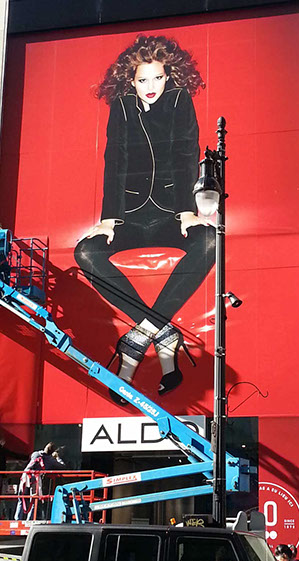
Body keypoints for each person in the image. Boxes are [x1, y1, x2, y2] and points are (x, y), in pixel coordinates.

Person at [74, 34, 215, 405]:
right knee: (85, 252)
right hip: (131, 217)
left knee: (210, 241)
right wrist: (109, 219)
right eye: (143, 79)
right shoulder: (121, 107)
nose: (151, 86)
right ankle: (163, 333)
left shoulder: (180, 101)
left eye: (158, 78)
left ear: (169, 76)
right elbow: (114, 159)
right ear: (130, 80)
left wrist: (187, 210)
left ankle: (138, 337)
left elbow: (186, 153)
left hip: (171, 214)